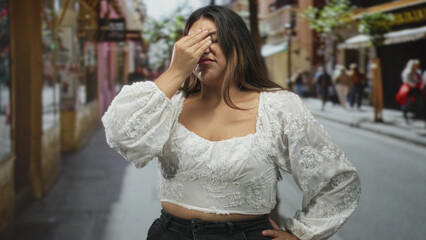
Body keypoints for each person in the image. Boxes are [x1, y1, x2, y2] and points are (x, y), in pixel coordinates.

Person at [102, 6, 360, 240]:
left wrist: (299, 235)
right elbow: (120, 134)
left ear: (237, 45)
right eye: (193, 41)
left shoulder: (279, 106)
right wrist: (176, 71)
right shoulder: (171, 104)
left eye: (212, 39)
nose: (202, 48)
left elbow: (338, 180)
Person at [396, 59, 424, 124]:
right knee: (407, 102)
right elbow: (406, 80)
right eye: (415, 65)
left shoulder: (418, 72)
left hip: (417, 89)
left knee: (420, 102)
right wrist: (415, 84)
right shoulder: (407, 71)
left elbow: (421, 79)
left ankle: (422, 116)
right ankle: (405, 115)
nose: (416, 66)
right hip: (409, 88)